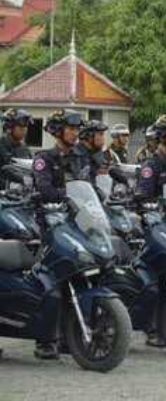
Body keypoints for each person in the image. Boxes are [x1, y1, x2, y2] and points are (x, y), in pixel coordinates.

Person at [31, 109, 86, 360]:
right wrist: (67, 196)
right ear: (57, 131)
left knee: (80, 278)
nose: (75, 132)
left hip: (78, 225)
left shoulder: (79, 158)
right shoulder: (44, 159)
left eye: (77, 129)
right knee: (51, 283)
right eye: (70, 128)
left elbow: (89, 187)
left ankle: (71, 337)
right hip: (51, 226)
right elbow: (43, 188)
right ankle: (44, 340)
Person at [0, 109, 32, 183]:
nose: (25, 130)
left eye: (26, 127)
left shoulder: (24, 148)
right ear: (9, 128)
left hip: (23, 191)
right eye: (21, 127)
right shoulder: (1, 146)